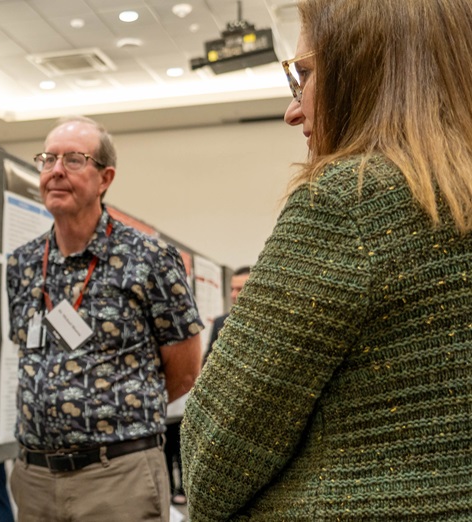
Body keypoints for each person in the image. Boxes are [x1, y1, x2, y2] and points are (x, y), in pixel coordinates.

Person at [181, 0, 472, 519]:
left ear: (363, 68)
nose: (293, 109)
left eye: (304, 74)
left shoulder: (348, 202)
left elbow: (213, 458)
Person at [6, 116, 203, 521]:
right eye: (48, 159)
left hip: (118, 476)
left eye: (74, 160)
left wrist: (118, 408)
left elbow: (185, 370)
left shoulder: (149, 258)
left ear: (105, 178)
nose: (56, 170)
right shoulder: (22, 263)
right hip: (35, 478)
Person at [203, 265, 250, 364]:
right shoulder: (220, 323)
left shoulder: (265, 325)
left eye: (239, 289)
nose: (233, 295)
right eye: (232, 289)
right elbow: (207, 361)